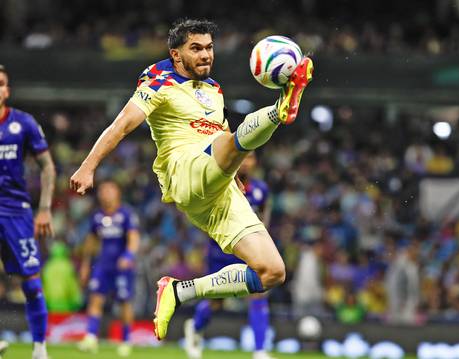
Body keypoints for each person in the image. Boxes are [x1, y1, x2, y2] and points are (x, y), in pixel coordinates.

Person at [70, 18, 313, 340]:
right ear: (176, 54)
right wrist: (88, 167)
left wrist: (232, 169)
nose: (205, 55)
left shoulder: (213, 89)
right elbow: (121, 125)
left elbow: (222, 134)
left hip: (218, 184)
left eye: (209, 48)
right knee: (230, 141)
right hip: (183, 169)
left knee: (271, 272)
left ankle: (179, 291)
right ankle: (280, 109)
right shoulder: (157, 82)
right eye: (195, 48)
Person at [184, 152, 275, 359]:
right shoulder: (220, 184)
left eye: (251, 158)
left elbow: (264, 219)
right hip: (221, 251)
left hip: (248, 251)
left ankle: (260, 350)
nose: (246, 162)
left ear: (255, 162)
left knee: (259, 292)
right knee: (217, 301)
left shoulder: (261, 190)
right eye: (243, 157)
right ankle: (196, 327)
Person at [0, 64, 56, 359]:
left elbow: (47, 166)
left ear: (7, 90)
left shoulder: (23, 123)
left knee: (31, 283)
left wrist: (44, 209)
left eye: (0, 83)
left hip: (15, 212)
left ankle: (39, 349)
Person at [77, 181, 140, 357]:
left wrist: (128, 256)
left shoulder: (126, 214)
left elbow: (134, 237)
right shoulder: (97, 216)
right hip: (103, 265)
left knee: (124, 302)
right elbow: (91, 241)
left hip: (122, 266)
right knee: (95, 299)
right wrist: (85, 264)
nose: (105, 194)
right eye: (103, 191)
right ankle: (90, 337)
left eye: (109, 190)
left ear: (118, 193)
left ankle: (126, 341)